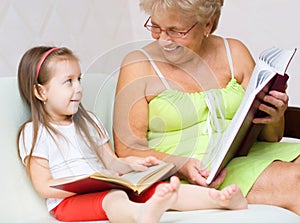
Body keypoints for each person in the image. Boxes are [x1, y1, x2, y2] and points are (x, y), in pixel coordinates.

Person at [17, 46, 248, 222]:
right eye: (68, 82)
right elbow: (44, 185)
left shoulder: (89, 123)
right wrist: (83, 182)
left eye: (79, 79)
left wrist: (133, 164)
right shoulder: (35, 133)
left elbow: (111, 162)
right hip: (67, 202)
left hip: (105, 186)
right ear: (40, 91)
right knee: (114, 198)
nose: (78, 88)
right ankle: (140, 215)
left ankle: (221, 201)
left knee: (159, 188)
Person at [113, 0, 300, 215]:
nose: (163, 39)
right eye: (155, 26)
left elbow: (271, 138)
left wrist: (275, 116)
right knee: (295, 181)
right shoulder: (138, 65)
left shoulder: (235, 52)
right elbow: (127, 149)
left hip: (245, 154)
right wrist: (180, 165)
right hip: (192, 171)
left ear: (208, 25)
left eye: (176, 31)